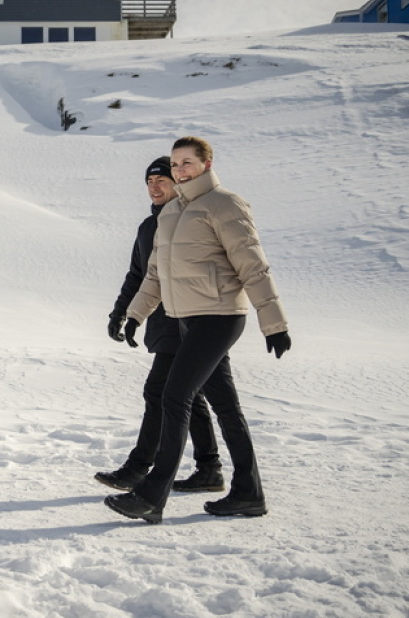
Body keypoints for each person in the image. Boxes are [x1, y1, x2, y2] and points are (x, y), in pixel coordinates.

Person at [105, 136, 292, 524]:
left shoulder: (225, 204)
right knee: (225, 406)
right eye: (175, 164)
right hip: (186, 318)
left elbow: (252, 265)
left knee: (175, 396)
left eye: (187, 163)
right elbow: (155, 274)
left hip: (220, 317)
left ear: (207, 164)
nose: (179, 171)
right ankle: (248, 493)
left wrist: (273, 323)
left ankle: (152, 496)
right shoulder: (172, 212)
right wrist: (135, 315)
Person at [95, 156, 224, 493]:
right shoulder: (147, 227)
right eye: (150, 182)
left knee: (159, 391)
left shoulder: (187, 220)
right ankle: (209, 469)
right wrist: (120, 312)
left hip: (188, 318)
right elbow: (138, 274)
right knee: (189, 397)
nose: (154, 187)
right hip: (163, 320)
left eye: (161, 181)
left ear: (178, 183)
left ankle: (139, 468)